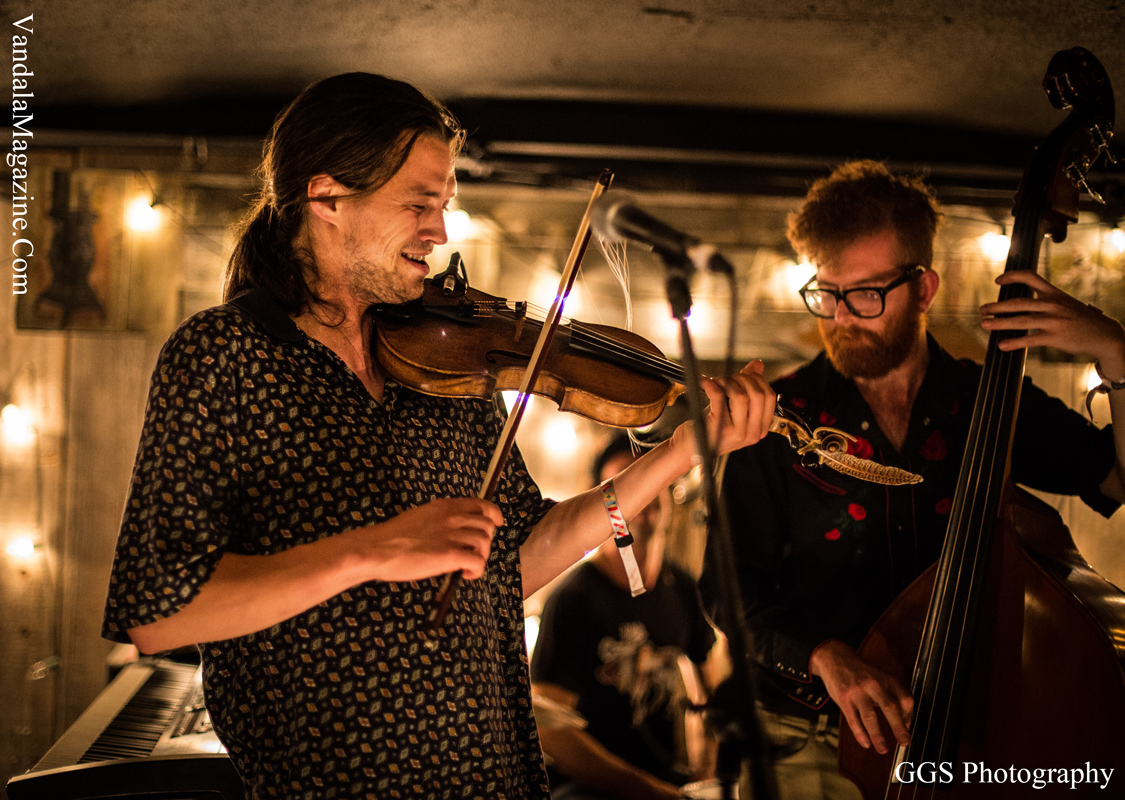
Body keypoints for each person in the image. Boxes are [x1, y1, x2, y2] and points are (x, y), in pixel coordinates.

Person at [100, 73, 776, 800]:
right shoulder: (222, 355)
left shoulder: (446, 365)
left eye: (445, 204)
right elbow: (157, 613)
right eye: (419, 204)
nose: (441, 231)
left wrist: (679, 455)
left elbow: (516, 554)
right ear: (326, 199)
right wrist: (371, 550)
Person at [699, 160, 1125, 799]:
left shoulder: (987, 401)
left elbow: (1118, 480)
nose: (842, 317)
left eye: (865, 294)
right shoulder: (777, 419)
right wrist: (825, 655)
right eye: (826, 292)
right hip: (805, 733)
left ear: (923, 289)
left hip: (960, 736)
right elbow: (728, 594)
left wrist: (1117, 353)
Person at [531, 434, 718, 800]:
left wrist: (708, 764)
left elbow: (714, 692)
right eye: (620, 488)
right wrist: (641, 789)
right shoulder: (572, 600)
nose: (638, 499)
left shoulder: (684, 588)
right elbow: (551, 731)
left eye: (649, 482)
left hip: (668, 779)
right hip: (593, 786)